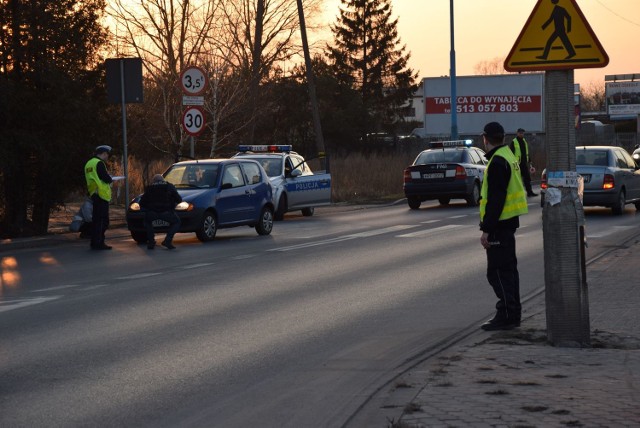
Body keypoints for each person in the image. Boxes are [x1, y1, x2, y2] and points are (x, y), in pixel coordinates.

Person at [479, 122, 529, 331]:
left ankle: (506, 315)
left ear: (485, 138)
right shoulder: (509, 156)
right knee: (509, 272)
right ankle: (513, 314)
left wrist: (486, 230)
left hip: (500, 225)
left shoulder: (498, 161)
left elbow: (496, 199)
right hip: (509, 223)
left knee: (497, 272)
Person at [139, 174, 182, 250]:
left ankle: (151, 242)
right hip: (166, 212)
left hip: (152, 212)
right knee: (177, 222)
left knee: (147, 222)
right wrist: (172, 205)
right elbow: (179, 199)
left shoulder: (150, 188)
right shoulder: (169, 186)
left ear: (154, 181)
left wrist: (147, 209)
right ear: (163, 180)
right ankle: (167, 240)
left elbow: (142, 202)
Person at [84, 145, 114, 250]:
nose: (107, 157)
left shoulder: (89, 163)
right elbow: (105, 177)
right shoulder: (99, 163)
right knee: (103, 221)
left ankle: (94, 242)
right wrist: (110, 179)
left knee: (96, 220)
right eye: (107, 155)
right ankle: (99, 242)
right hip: (101, 195)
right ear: (104, 153)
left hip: (94, 194)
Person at [510, 128, 537, 197]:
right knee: (517, 180)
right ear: (517, 133)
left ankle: (529, 192)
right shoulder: (514, 142)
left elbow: (526, 152)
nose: (521, 134)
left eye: (522, 133)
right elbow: (511, 153)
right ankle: (517, 194)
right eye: (520, 133)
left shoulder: (524, 141)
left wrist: (529, 160)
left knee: (527, 178)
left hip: (524, 163)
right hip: (517, 164)